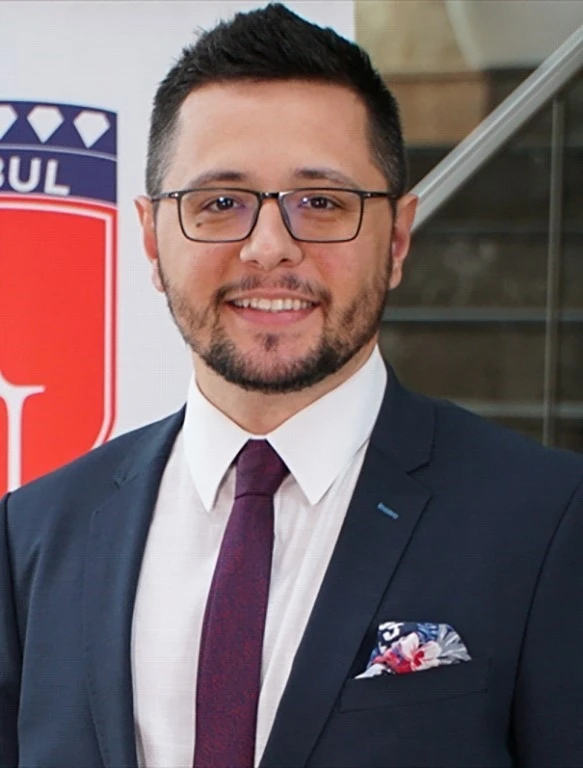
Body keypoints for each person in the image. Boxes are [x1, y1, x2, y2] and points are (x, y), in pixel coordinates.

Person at [1, 4, 583, 767]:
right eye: (219, 204)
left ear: (397, 237)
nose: (269, 248)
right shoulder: (34, 535)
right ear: (149, 237)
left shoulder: (547, 521)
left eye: (322, 203)